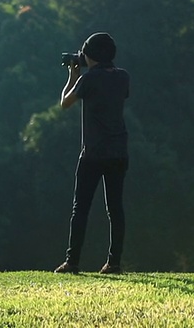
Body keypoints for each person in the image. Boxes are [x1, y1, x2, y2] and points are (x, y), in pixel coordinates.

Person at [54, 32, 130, 274]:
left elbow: (65, 103)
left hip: (93, 153)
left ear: (91, 55)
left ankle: (72, 261)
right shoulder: (122, 77)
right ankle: (114, 262)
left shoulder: (88, 80)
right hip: (119, 151)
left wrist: (73, 76)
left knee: (81, 208)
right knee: (115, 208)